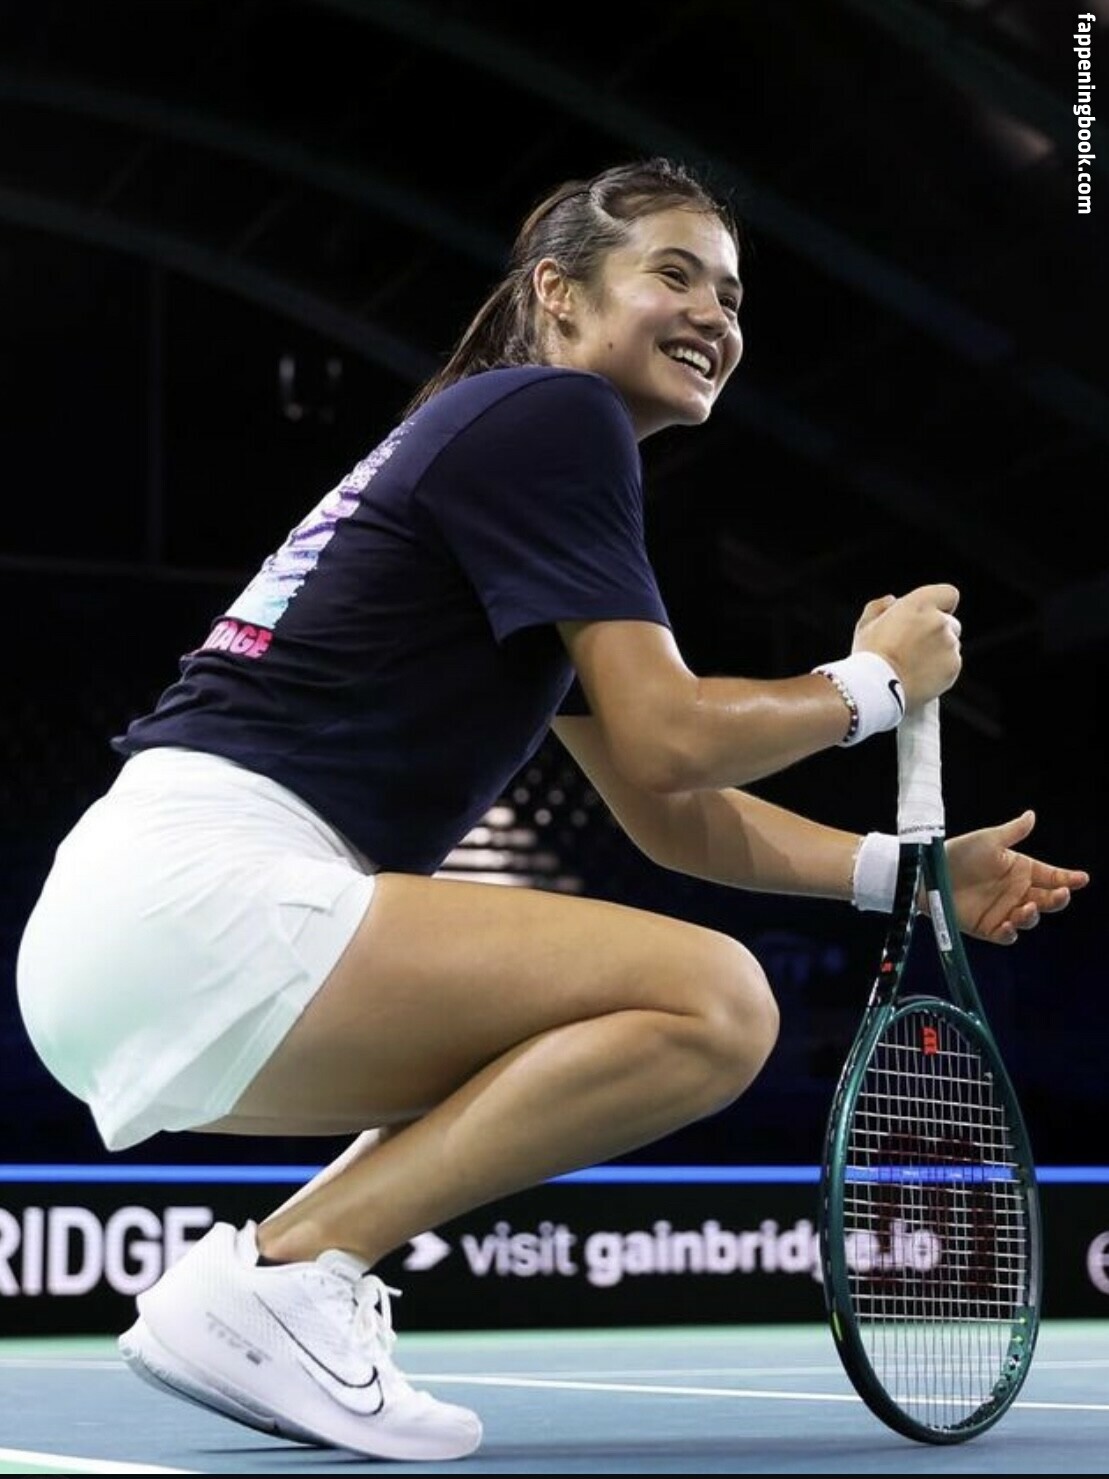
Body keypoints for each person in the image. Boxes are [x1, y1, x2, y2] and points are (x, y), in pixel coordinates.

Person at [15, 157, 1088, 1462]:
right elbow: (673, 731)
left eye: (731, 296)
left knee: (615, 1020)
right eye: (673, 275)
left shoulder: (512, 454)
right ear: (559, 296)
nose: (713, 315)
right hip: (208, 892)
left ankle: (282, 1280)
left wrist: (907, 875)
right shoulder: (552, 416)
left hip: (127, 935)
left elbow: (671, 805)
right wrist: (876, 684)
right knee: (714, 1003)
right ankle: (285, 1279)